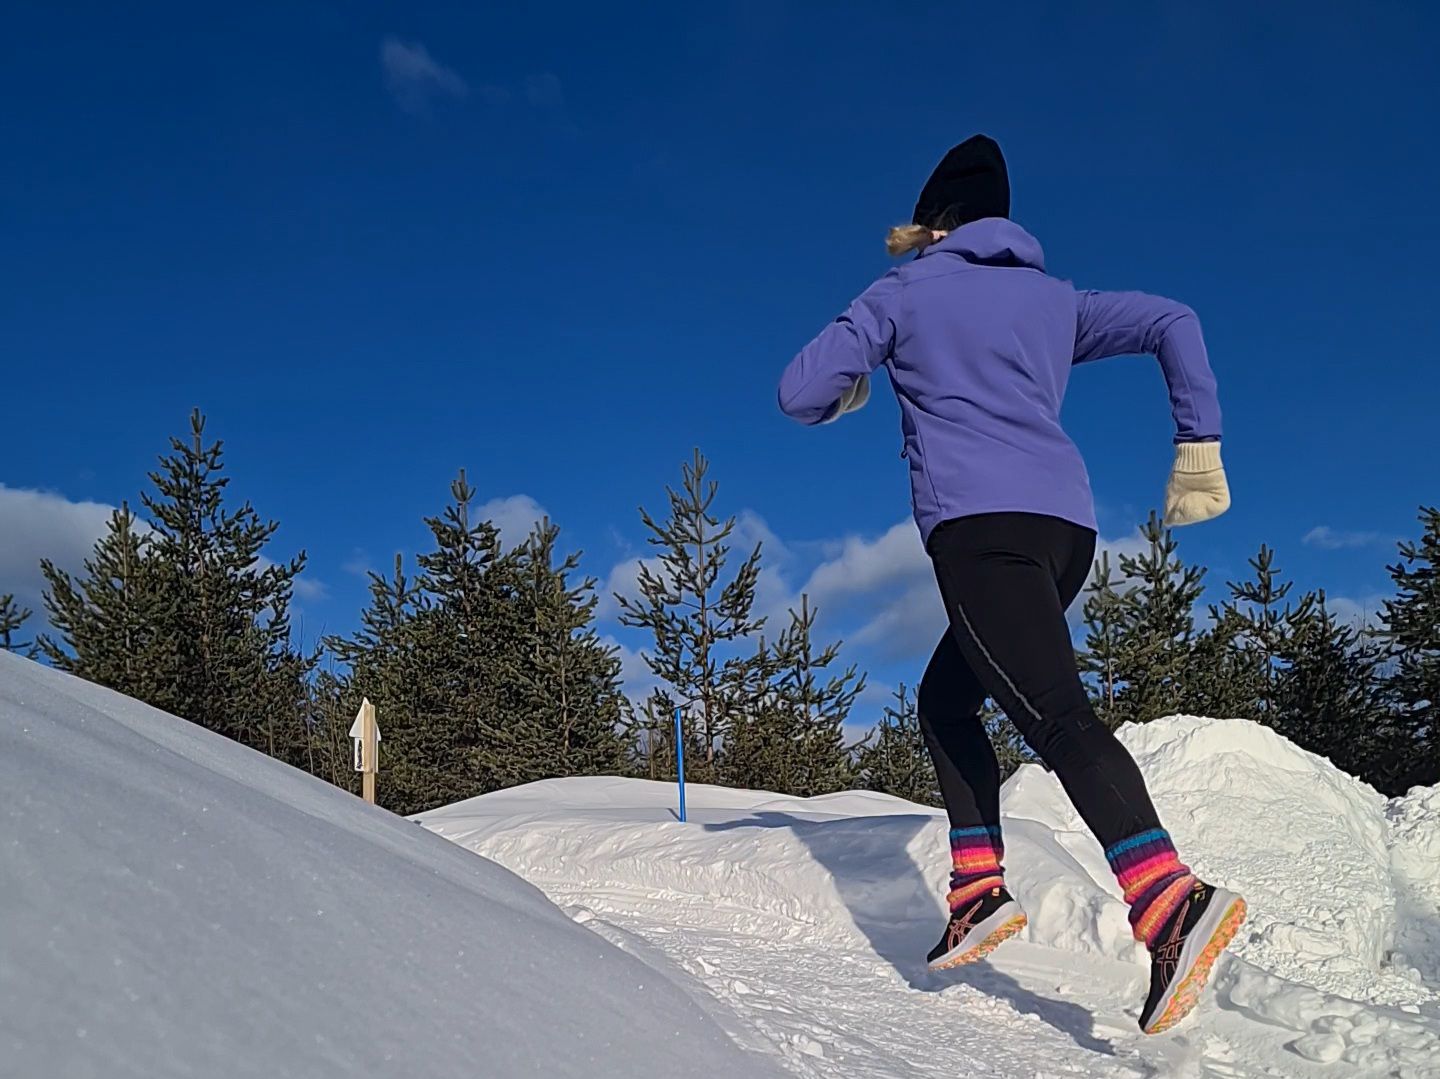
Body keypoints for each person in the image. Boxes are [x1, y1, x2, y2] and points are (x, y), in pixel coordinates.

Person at [777, 134, 1245, 1036]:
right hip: (1064, 534)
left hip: (979, 532)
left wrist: (853, 386)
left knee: (1058, 715)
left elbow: (800, 391)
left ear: (935, 225)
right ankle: (979, 889)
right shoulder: (1056, 300)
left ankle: (1169, 902)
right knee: (947, 701)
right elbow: (1172, 319)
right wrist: (1199, 442)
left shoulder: (902, 293)